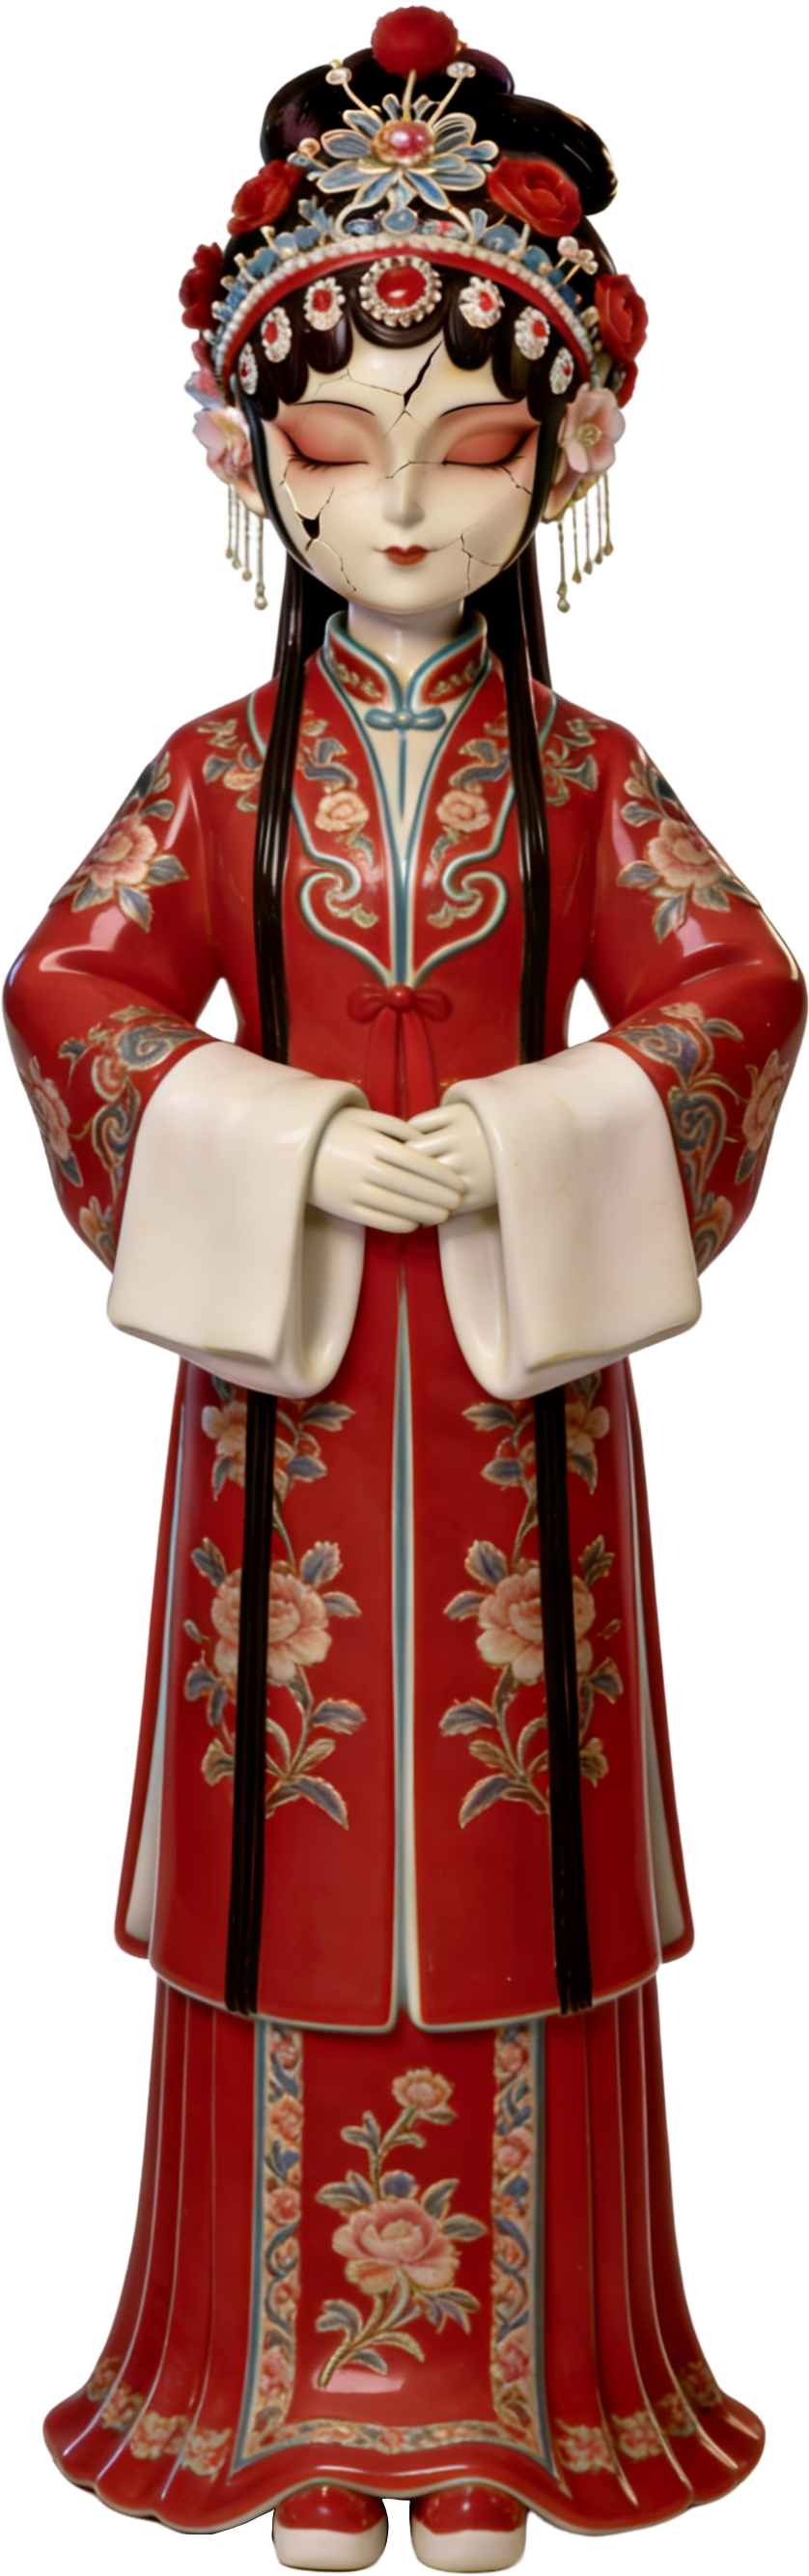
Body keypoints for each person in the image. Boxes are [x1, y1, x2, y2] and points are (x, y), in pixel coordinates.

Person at [5, 11, 805, 2565]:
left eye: (464, 450)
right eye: (341, 449)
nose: (400, 503)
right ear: (251, 463)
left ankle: (508, 2410)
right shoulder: (210, 777)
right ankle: (271, 2394)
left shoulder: (589, 776)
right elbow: (70, 993)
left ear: (562, 462)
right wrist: (277, 1138)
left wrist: (542, 1132)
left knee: (511, 1832)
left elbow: (736, 991)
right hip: (288, 1394)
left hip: (506, 1400)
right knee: (293, 1836)